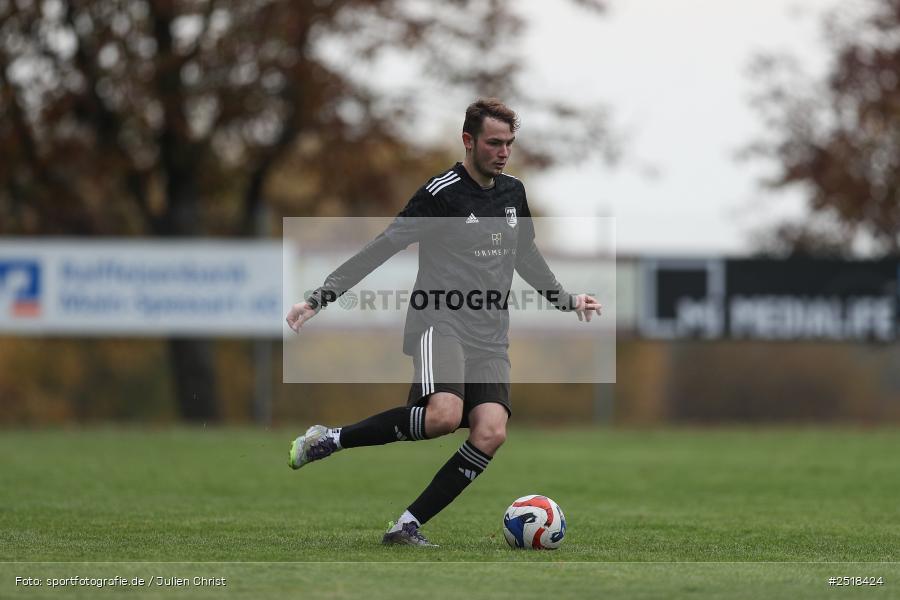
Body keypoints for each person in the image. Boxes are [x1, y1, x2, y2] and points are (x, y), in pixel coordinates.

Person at [285, 98, 601, 547]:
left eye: (510, 143)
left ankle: (406, 525)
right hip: (440, 320)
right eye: (494, 142)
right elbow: (384, 245)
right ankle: (331, 439)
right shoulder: (441, 193)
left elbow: (525, 255)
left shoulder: (513, 193)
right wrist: (320, 296)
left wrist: (566, 300)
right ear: (469, 141)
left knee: (491, 431)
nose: (504, 152)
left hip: (490, 335)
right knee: (443, 416)